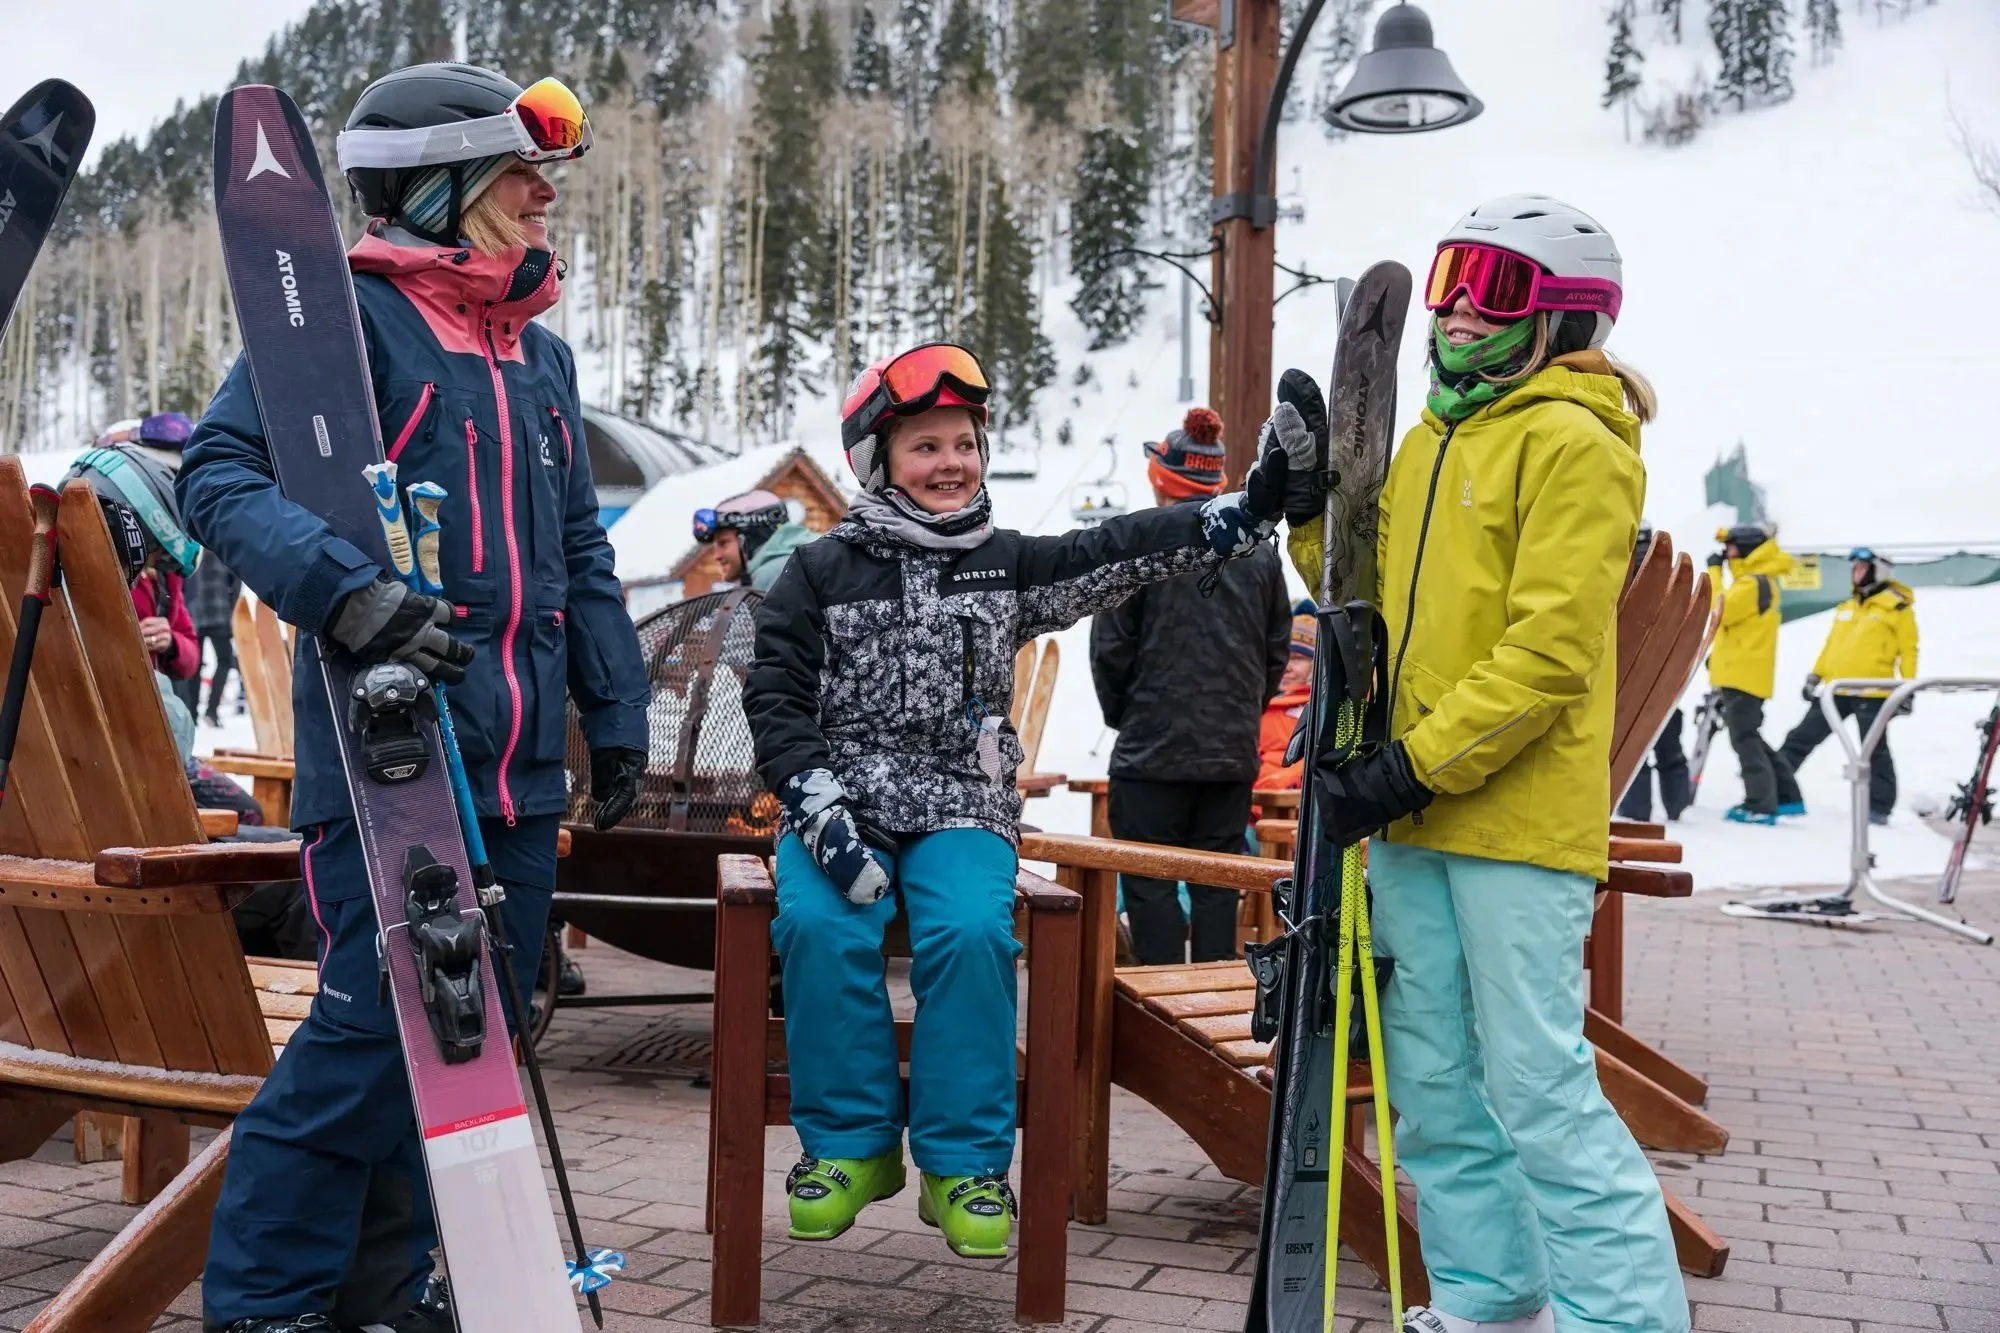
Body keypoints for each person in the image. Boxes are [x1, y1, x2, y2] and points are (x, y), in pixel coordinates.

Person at [177, 63, 650, 1333]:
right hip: (387, 759)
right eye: (518, 172)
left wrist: (615, 706)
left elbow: (579, 547)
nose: (544, 193)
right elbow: (216, 478)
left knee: (469, 1048)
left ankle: (385, 1292)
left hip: (513, 769)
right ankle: (267, 1304)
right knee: (363, 1044)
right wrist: (346, 592)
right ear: (440, 188)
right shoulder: (340, 323)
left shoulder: (535, 356)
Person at [746, 341, 1316, 1259]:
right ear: (877, 460)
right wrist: (818, 808)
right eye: (925, 445)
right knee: (819, 924)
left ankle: (964, 1162)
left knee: (971, 933)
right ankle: (851, 1147)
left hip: (963, 803)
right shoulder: (818, 573)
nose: (950, 463)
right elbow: (775, 695)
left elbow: (1114, 551)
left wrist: (1235, 514)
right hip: (841, 802)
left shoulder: (1003, 564)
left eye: (964, 443)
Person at [1290, 195, 1688, 1333]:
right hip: (1410, 814)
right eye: (1451, 275)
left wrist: (1408, 766)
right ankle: (1487, 1295)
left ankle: (1619, 1320)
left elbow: (1548, 652)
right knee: (1430, 1084)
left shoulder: (1575, 444)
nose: (1460, 308)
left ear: (1562, 320)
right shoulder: (1429, 437)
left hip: (1505, 820)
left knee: (1535, 1086)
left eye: (1495, 288)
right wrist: (1303, 502)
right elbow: (1355, 584)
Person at [1089, 408, 1291, 965]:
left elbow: (1111, 650)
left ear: (1162, 479)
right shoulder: (1257, 552)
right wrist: (1242, 712)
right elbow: (1276, 651)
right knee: (1216, 881)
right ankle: (1207, 1012)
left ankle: (1159, 1013)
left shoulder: (1142, 542)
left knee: (1151, 881)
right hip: (1228, 756)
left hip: (1151, 756)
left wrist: (1127, 717)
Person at [1772, 547, 1917, 825]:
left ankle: (1879, 807)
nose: (1855, 574)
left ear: (1878, 571)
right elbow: (1832, 647)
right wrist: (1816, 675)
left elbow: (1909, 650)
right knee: (1800, 738)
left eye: (1861, 568)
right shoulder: (1848, 607)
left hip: (1872, 692)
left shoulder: (1896, 607)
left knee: (1874, 750)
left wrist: (1907, 689)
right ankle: (1775, 788)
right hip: (1836, 691)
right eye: (1854, 569)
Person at [65, 444, 200, 685]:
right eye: (154, 553)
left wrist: (171, 643)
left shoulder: (165, 579)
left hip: (145, 691)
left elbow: (190, 654)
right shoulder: (66, 580)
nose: (155, 562)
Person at [1706, 522, 1791, 825]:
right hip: (1743, 673)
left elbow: (1719, 611)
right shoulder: (1753, 582)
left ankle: (1760, 804)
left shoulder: (1753, 583)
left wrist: (1714, 573)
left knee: (1744, 739)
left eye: (1730, 547)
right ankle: (1788, 795)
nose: (1726, 554)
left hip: (1743, 676)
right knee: (1750, 736)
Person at [693, 487, 817, 591]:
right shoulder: (804, 560)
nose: (717, 556)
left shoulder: (772, 576)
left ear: (752, 538)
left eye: (723, 543)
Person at [1255, 607, 1317, 792]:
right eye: (1284, 658)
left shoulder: (1321, 709)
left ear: (1315, 665)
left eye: (1297, 659)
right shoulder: (1257, 702)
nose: (1287, 667)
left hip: (1290, 808)